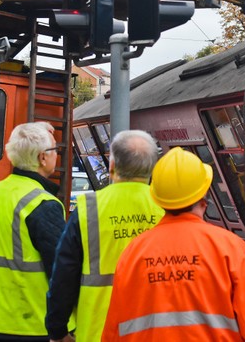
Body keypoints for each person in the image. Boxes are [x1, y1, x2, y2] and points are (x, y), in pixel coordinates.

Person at [102, 147, 245, 341]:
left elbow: (113, 330)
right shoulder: (230, 248)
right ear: (203, 198)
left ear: (158, 199)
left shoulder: (132, 253)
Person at [46, 130, 164, 342]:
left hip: (98, 331)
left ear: (112, 166)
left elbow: (64, 276)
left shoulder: (88, 208)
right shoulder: (166, 208)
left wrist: (57, 330)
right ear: (152, 168)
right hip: (155, 332)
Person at [0, 122, 73, 341]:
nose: (57, 155)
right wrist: (62, 329)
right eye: (55, 150)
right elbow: (60, 271)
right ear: (42, 157)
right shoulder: (43, 203)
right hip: (32, 322)